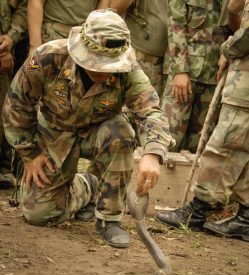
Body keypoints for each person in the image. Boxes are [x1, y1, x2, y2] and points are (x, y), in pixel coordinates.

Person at [3, 9, 175, 248]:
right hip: (54, 134)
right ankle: (89, 186)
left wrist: (153, 153)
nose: (102, 71)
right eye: (96, 62)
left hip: (100, 133)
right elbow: (17, 103)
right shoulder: (47, 57)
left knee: (122, 132)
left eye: (109, 65)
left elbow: (150, 111)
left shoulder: (129, 71)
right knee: (38, 215)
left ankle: (109, 219)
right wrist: (30, 154)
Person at [156, 0, 249, 243]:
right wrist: (179, 70)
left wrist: (228, 48)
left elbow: (240, 30)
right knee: (170, 136)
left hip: (232, 81)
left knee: (220, 143)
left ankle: (199, 207)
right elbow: (176, 27)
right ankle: (158, 196)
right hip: (196, 72)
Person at [162, 0, 232, 153]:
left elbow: (236, 28)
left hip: (215, 78)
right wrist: (180, 70)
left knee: (200, 146)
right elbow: (176, 26)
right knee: (168, 139)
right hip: (185, 76)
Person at [107, 0, 169, 99]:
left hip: (164, 66)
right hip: (139, 62)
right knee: (130, 107)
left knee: (152, 109)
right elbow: (113, 9)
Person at [0, 0, 27, 188]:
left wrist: (8, 40)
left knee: (7, 107)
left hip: (9, 46)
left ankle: (5, 167)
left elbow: (24, 6)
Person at [27, 0, 111, 55]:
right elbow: (35, 2)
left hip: (83, 39)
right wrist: (35, 45)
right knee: (39, 76)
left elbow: (102, 7)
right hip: (51, 37)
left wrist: (94, 40)